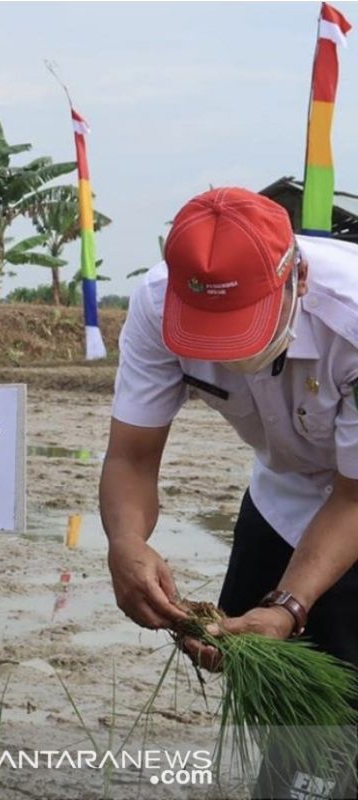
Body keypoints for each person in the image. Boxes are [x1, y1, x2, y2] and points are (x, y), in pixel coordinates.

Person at [102, 187, 358, 797]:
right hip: (281, 487)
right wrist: (126, 540)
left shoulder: (353, 316)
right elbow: (131, 456)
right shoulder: (157, 305)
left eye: (241, 327)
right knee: (259, 668)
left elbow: (353, 497)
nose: (228, 353)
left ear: (294, 277)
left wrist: (290, 606)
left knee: (347, 671)